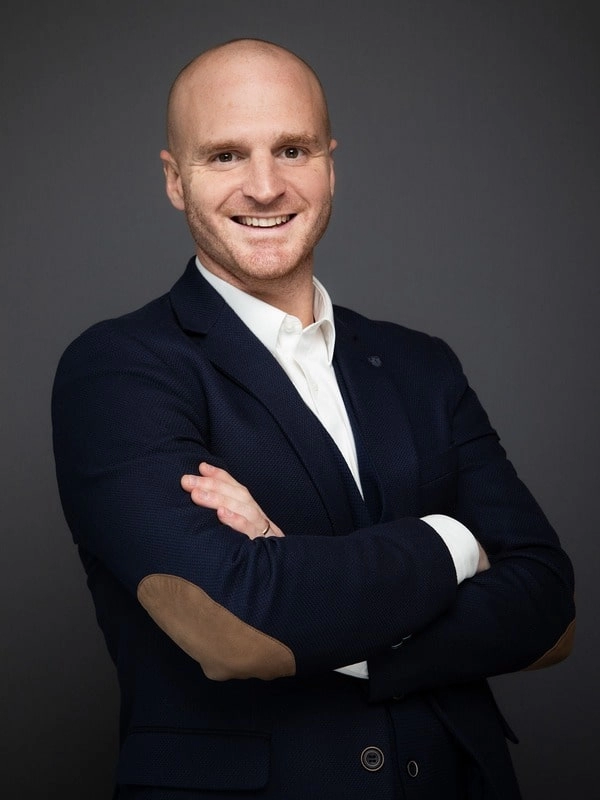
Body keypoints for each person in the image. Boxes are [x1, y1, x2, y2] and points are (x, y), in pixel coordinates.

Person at [52, 38, 575, 800]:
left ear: (330, 164)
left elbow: (549, 606)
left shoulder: (421, 364)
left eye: (292, 150)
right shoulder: (118, 370)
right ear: (174, 180)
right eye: (226, 156)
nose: (265, 187)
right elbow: (233, 627)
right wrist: (456, 542)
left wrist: (291, 571)